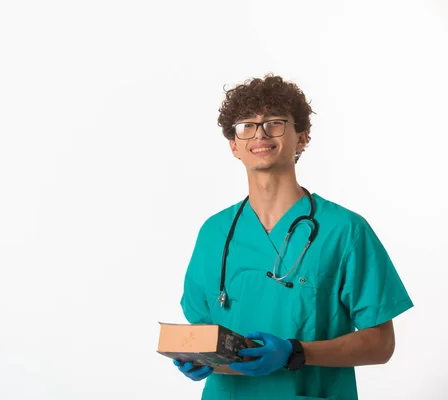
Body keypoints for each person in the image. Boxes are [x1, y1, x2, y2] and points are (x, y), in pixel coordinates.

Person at [173, 74, 413, 400]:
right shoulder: (214, 234)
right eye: (247, 125)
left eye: (275, 123)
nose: (260, 133)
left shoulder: (344, 231)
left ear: (301, 138)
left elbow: (381, 345)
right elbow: (204, 328)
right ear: (234, 145)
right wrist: (199, 357)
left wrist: (296, 351)